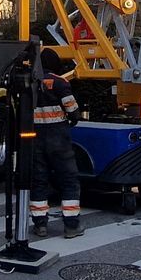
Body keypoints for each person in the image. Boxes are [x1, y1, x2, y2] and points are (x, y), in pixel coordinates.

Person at [29, 52, 84, 239]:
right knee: (69, 181)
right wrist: (72, 120)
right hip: (59, 140)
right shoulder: (60, 82)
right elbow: (73, 111)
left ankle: (40, 225)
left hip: (35, 140)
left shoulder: (30, 83)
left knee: (39, 182)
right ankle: (71, 226)